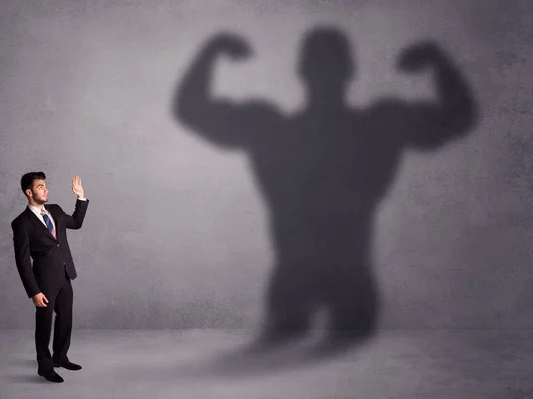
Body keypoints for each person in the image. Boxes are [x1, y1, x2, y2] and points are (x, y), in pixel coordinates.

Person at [174, 28, 476, 351]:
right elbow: (458, 117)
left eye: (325, 64)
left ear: (301, 71)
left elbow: (191, 109)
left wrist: (211, 50)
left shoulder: (275, 131)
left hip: (310, 276)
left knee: (302, 369)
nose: (325, 73)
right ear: (351, 70)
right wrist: (437, 59)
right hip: (338, 276)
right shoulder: (373, 128)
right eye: (325, 64)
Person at [11, 172, 89, 382]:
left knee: (65, 318)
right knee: (44, 324)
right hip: (43, 282)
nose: (46, 190)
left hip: (65, 274)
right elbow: (23, 261)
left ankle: (60, 357)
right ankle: (44, 368)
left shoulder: (54, 210)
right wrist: (34, 291)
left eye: (45, 186)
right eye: (40, 187)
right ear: (29, 192)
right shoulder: (22, 223)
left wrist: (80, 197)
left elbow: (76, 222)